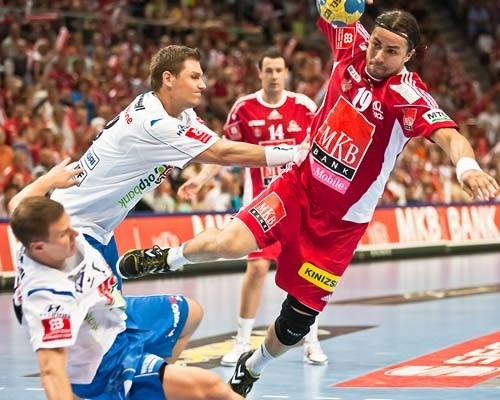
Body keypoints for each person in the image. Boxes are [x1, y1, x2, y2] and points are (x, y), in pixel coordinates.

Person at [118, 2, 500, 397]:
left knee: (295, 324)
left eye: (391, 51)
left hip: (339, 227)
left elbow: (450, 136)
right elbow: (330, 7)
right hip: (297, 188)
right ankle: (166, 258)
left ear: (409, 55)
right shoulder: (351, 42)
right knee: (228, 244)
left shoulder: (407, 96)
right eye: (376, 44)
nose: (378, 56)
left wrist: (467, 167)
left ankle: (253, 365)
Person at [50, 45, 307, 288]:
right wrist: (296, 153)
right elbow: (223, 152)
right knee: (88, 313)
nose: (202, 84)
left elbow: (217, 146)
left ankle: (165, 261)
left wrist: (202, 178)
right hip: (72, 225)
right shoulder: (154, 123)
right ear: (168, 79)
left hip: (100, 227)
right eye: (194, 77)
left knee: (112, 312)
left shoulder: (177, 113)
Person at [10, 159, 244, 400]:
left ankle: (147, 388)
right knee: (213, 389)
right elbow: (52, 372)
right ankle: (127, 387)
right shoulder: (48, 298)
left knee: (190, 313)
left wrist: (48, 180)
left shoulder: (33, 236)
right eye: (63, 233)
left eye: (68, 225)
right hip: (104, 362)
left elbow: (17, 204)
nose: (74, 234)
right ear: (38, 247)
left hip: (114, 316)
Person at [179, 48, 327, 366]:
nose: (274, 76)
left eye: (279, 70)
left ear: (286, 73)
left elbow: (320, 150)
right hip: (263, 203)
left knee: (307, 273)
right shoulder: (244, 108)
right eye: (268, 70)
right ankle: (241, 342)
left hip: (300, 203)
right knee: (257, 269)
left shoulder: (304, 106)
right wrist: (200, 180)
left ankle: (311, 341)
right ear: (259, 73)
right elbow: (223, 151)